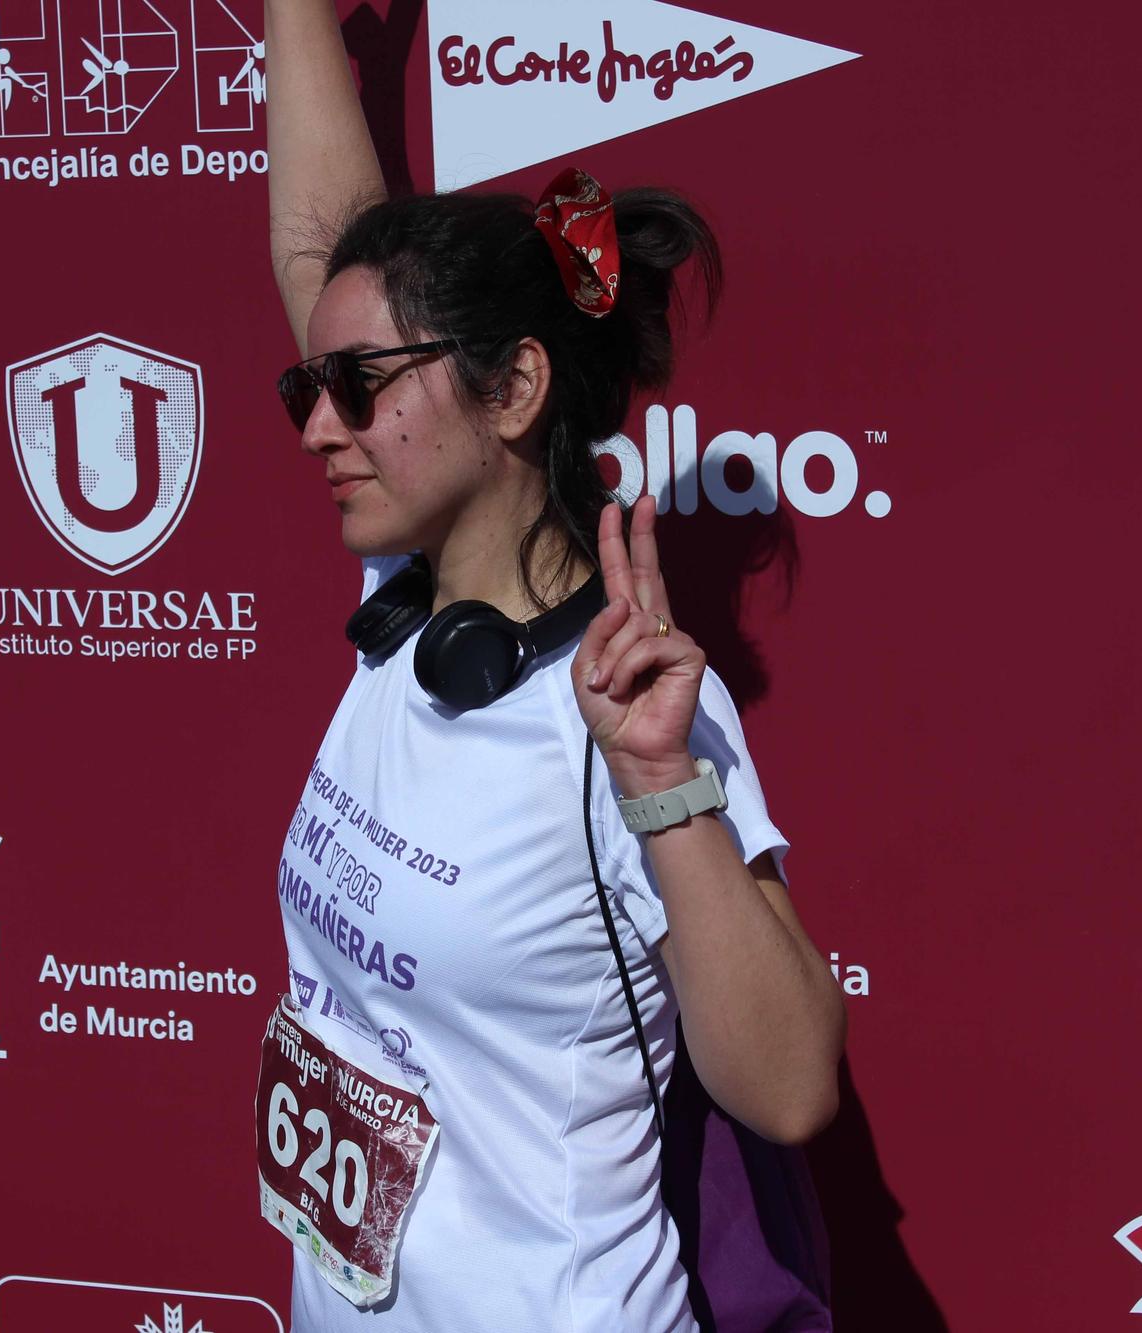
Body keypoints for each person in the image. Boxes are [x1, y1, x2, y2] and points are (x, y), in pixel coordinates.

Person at [259, 2, 847, 1328]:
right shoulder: (406, 602)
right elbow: (326, 258)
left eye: (357, 388)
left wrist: (657, 778)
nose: (318, 428)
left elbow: (792, 1080)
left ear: (515, 390)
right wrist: (299, 18)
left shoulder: (626, 704)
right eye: (307, 390)